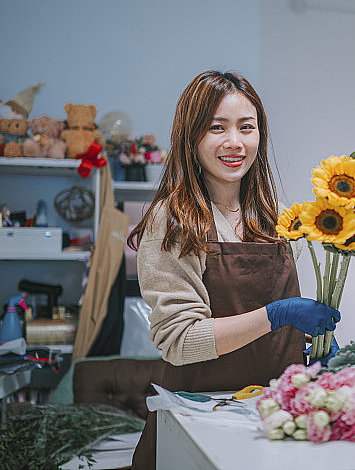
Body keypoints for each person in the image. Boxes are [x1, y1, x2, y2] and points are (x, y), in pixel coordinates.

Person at [129, 70, 340, 468]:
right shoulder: (171, 220)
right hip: (196, 421)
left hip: (268, 418)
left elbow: (270, 328)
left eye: (247, 127)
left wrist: (305, 347)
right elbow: (181, 341)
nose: (234, 142)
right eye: (216, 128)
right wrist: (279, 315)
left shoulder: (273, 219)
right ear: (191, 138)